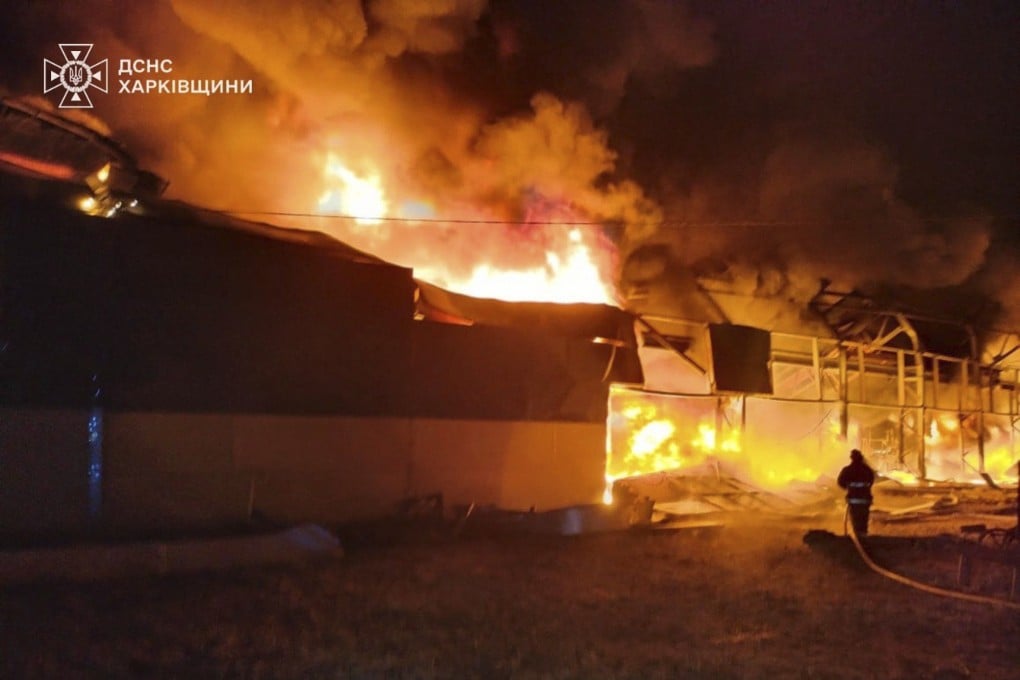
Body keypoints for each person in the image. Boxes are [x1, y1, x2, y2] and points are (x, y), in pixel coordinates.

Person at [837, 449, 875, 537]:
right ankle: (863, 534)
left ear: (852, 458)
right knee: (863, 518)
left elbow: (840, 482)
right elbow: (871, 481)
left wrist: (848, 488)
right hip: (865, 499)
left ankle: (857, 534)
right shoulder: (867, 470)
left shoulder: (847, 470)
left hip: (853, 499)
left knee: (855, 518)